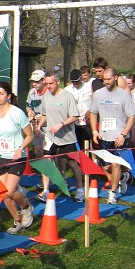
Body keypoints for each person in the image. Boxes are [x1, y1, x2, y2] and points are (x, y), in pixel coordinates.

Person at [0, 81, 35, 234]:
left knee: (9, 191)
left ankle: (26, 207)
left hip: (17, 157)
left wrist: (20, 148)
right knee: (4, 194)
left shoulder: (17, 113)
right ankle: (17, 221)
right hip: (1, 157)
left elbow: (30, 135)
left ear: (8, 96)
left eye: (1, 94)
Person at [89, 67, 135, 204]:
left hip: (119, 137)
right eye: (104, 80)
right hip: (104, 136)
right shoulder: (98, 94)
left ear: (115, 78)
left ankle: (113, 193)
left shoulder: (123, 95)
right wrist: (94, 131)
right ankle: (122, 176)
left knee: (115, 164)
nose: (106, 82)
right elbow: (93, 113)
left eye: (109, 79)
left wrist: (123, 134)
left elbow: (131, 116)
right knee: (106, 167)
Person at [37, 73, 83, 201]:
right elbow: (45, 114)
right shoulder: (46, 96)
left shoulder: (67, 96)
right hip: (51, 137)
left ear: (58, 82)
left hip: (67, 137)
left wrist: (61, 124)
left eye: (50, 83)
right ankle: (45, 190)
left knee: (72, 163)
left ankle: (80, 189)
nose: (48, 86)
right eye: (46, 84)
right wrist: (39, 126)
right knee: (46, 161)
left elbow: (75, 116)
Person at [25, 69, 48, 199]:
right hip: (37, 127)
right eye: (33, 82)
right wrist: (30, 112)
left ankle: (59, 175)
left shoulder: (49, 93)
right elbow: (28, 105)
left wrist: (43, 117)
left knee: (53, 154)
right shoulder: (32, 93)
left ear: (43, 80)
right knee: (38, 151)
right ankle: (43, 176)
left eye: (37, 82)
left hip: (50, 126)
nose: (35, 84)